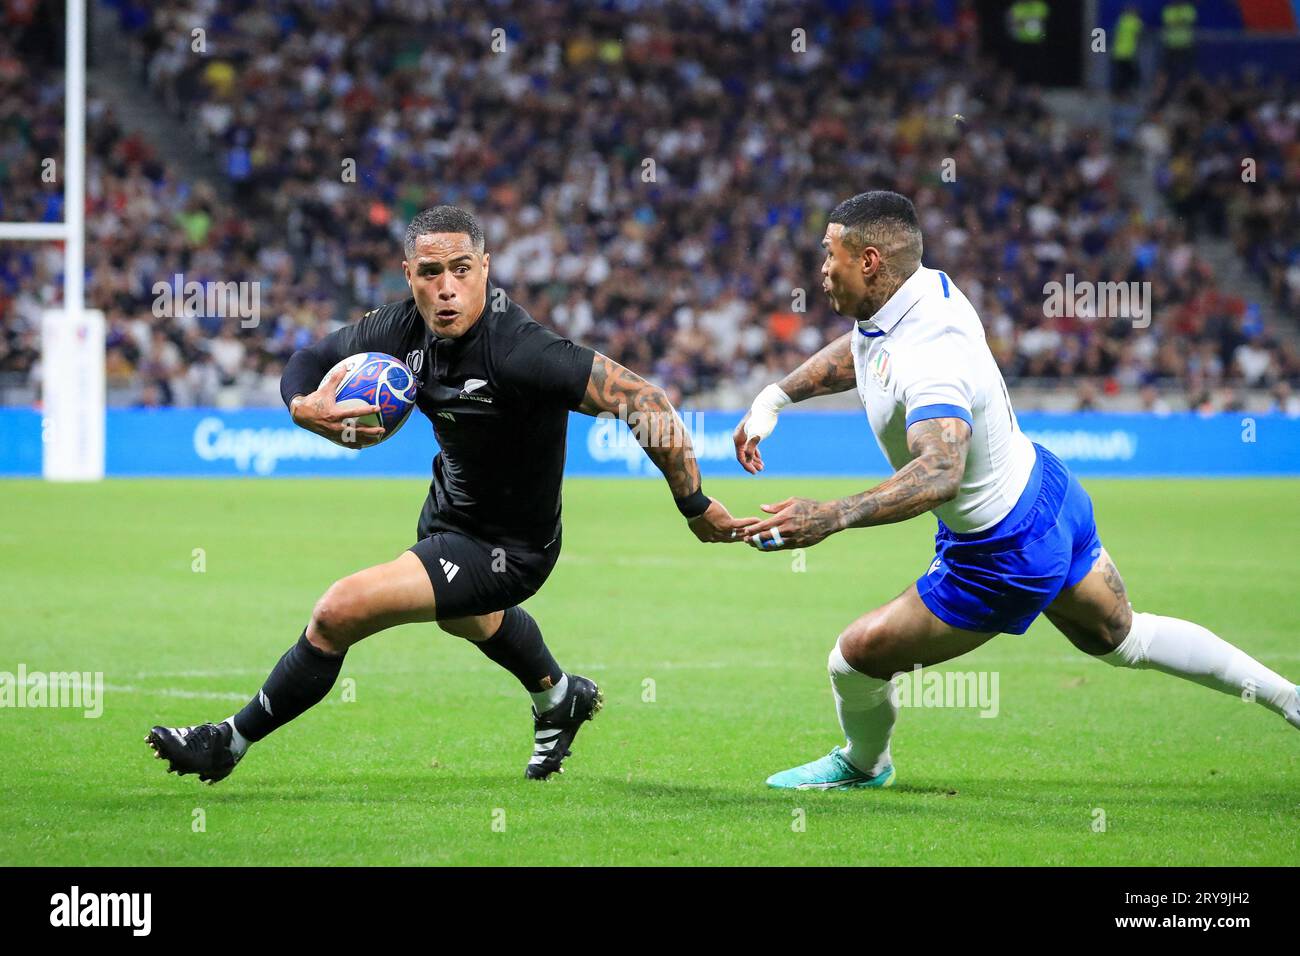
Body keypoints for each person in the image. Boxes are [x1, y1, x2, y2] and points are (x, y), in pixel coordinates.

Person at [147, 205, 754, 783]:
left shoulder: (521, 351)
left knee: (339, 611)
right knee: (465, 620)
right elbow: (313, 356)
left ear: (484, 270)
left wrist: (694, 505)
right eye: (430, 272)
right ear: (409, 274)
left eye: (461, 270)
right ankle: (561, 697)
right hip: (446, 516)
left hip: (511, 548)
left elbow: (642, 400)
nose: (446, 288)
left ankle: (227, 742)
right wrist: (303, 406)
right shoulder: (401, 326)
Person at [733, 190, 1300, 790]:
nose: (822, 269)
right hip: (1047, 492)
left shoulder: (932, 351)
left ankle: (864, 765)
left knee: (852, 660)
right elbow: (862, 353)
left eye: (830, 255)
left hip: (999, 556)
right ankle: (1291, 698)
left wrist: (830, 516)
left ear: (869, 260)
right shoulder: (915, 294)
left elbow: (939, 471)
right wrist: (776, 398)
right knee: (1124, 637)